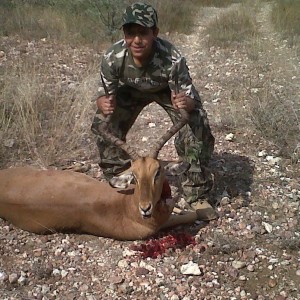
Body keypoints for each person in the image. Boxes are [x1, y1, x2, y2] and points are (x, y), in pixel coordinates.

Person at [91, 2, 218, 221]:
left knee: (197, 123)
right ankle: (121, 181)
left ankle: (197, 193)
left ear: (155, 33)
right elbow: (104, 94)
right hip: (130, 91)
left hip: (165, 91)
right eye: (131, 34)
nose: (137, 40)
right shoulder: (113, 57)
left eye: (143, 33)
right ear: (124, 34)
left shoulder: (172, 57)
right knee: (102, 123)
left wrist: (186, 103)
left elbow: (189, 100)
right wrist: (102, 102)